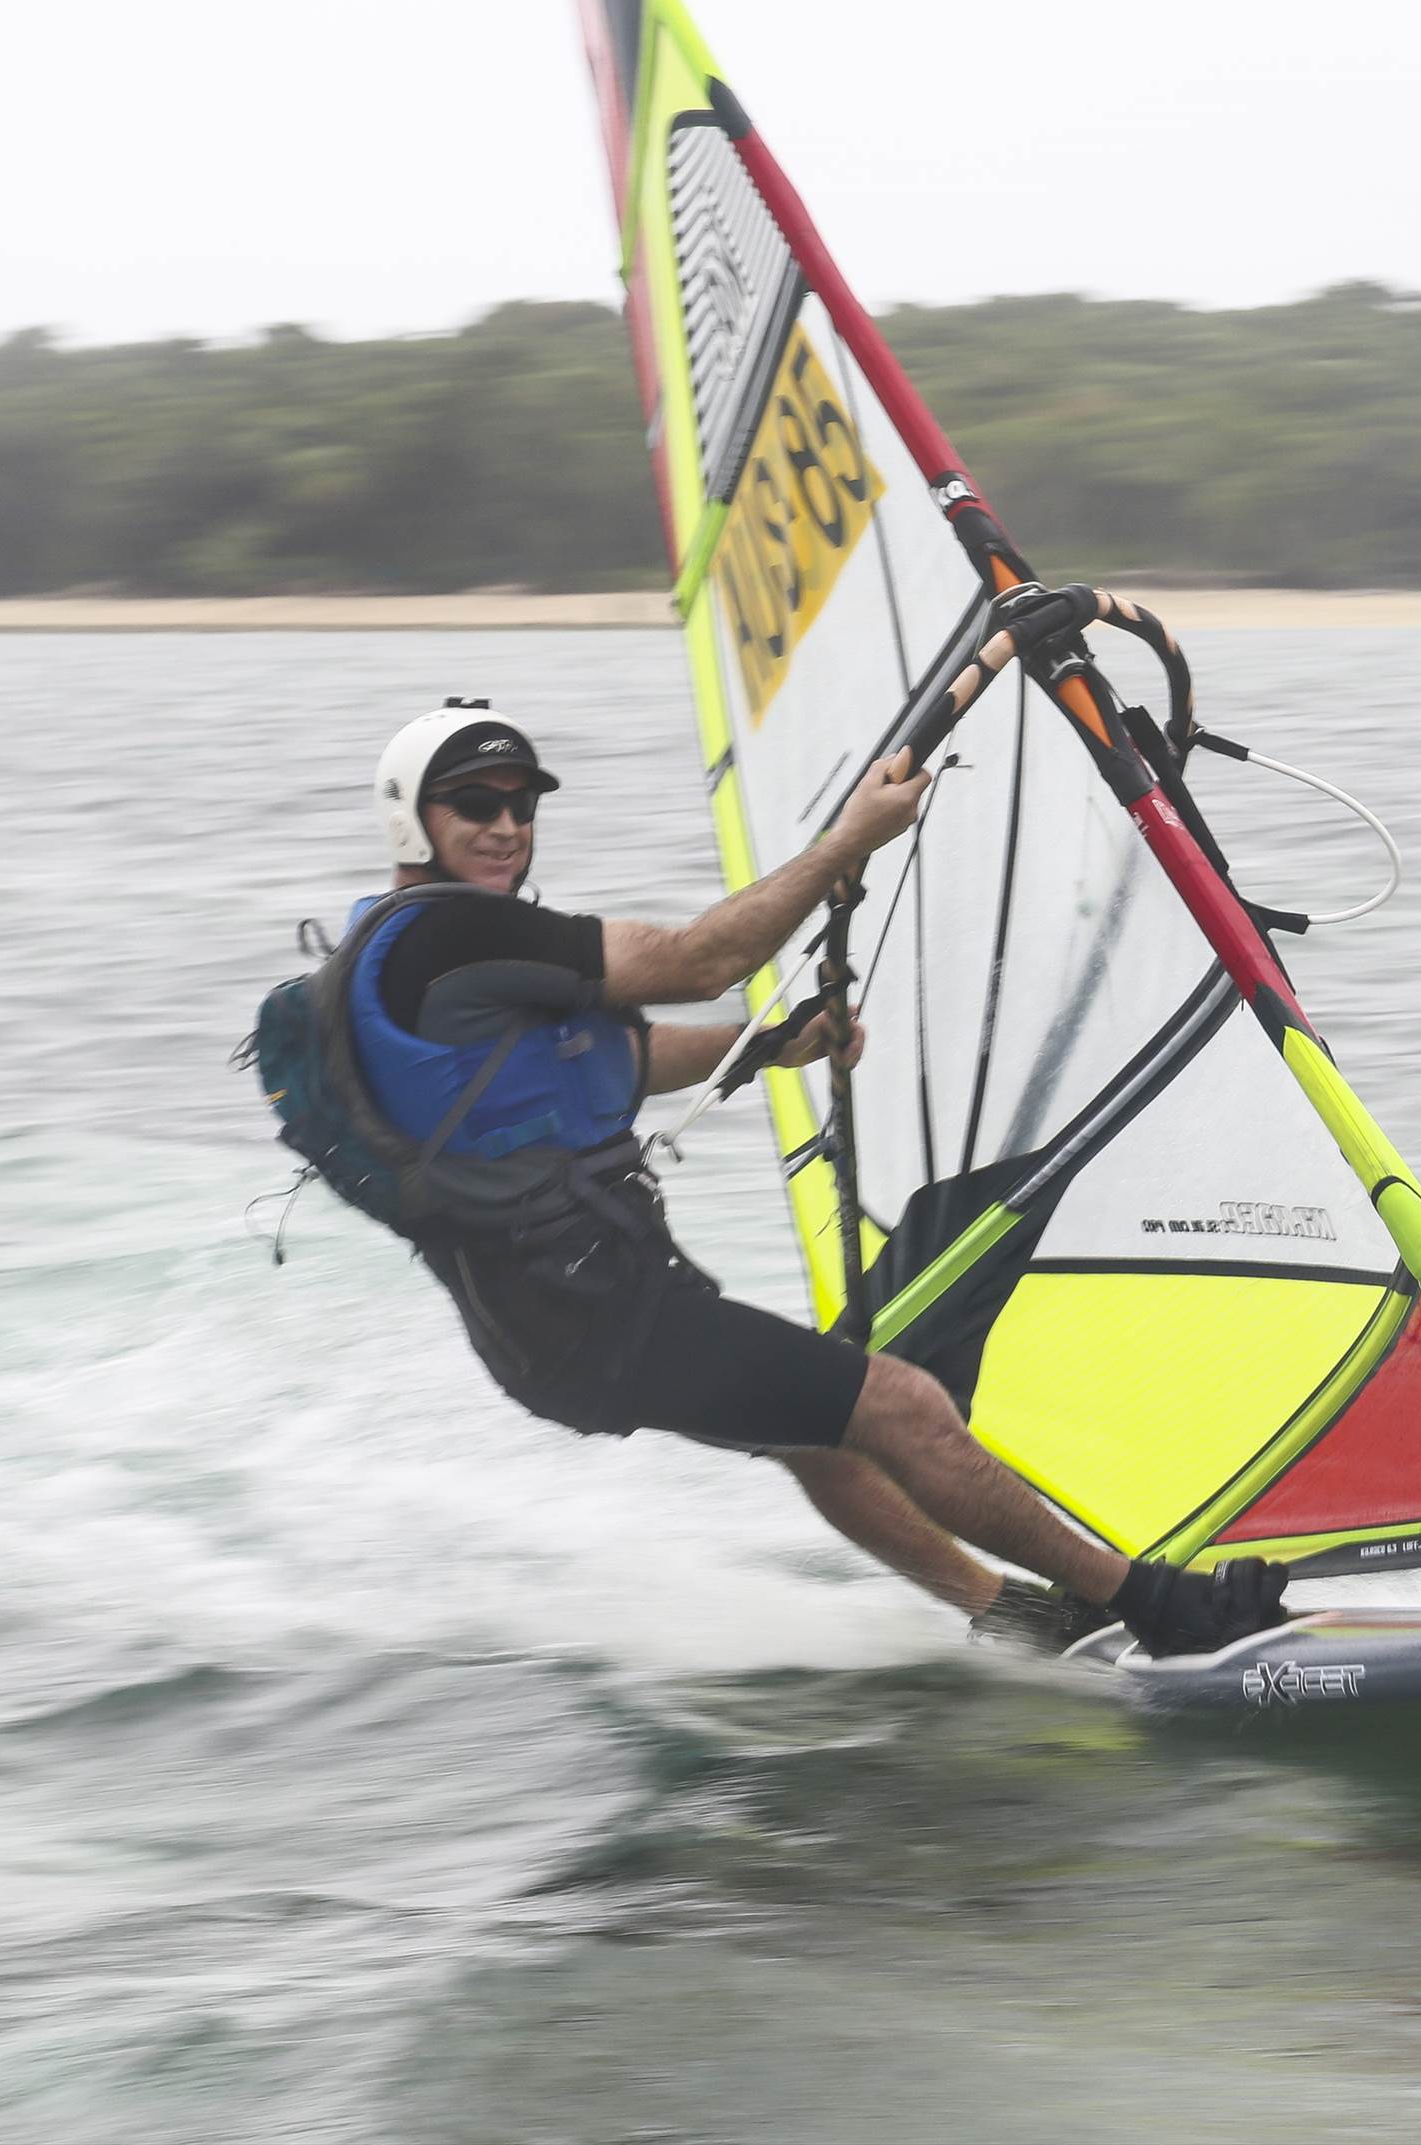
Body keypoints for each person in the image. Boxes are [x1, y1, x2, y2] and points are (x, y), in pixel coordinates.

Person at [343, 701, 1284, 1658]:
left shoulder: (401, 950)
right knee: (898, 1404)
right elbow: (702, 960)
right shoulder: (449, 938)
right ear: (410, 818)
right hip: (599, 1316)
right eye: (475, 804)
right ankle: (1154, 1603)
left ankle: (1018, 1617)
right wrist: (849, 839)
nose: (506, 826)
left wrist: (767, 1046)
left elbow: (611, 1062)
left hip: (550, 1325)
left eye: (522, 804)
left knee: (817, 1435)